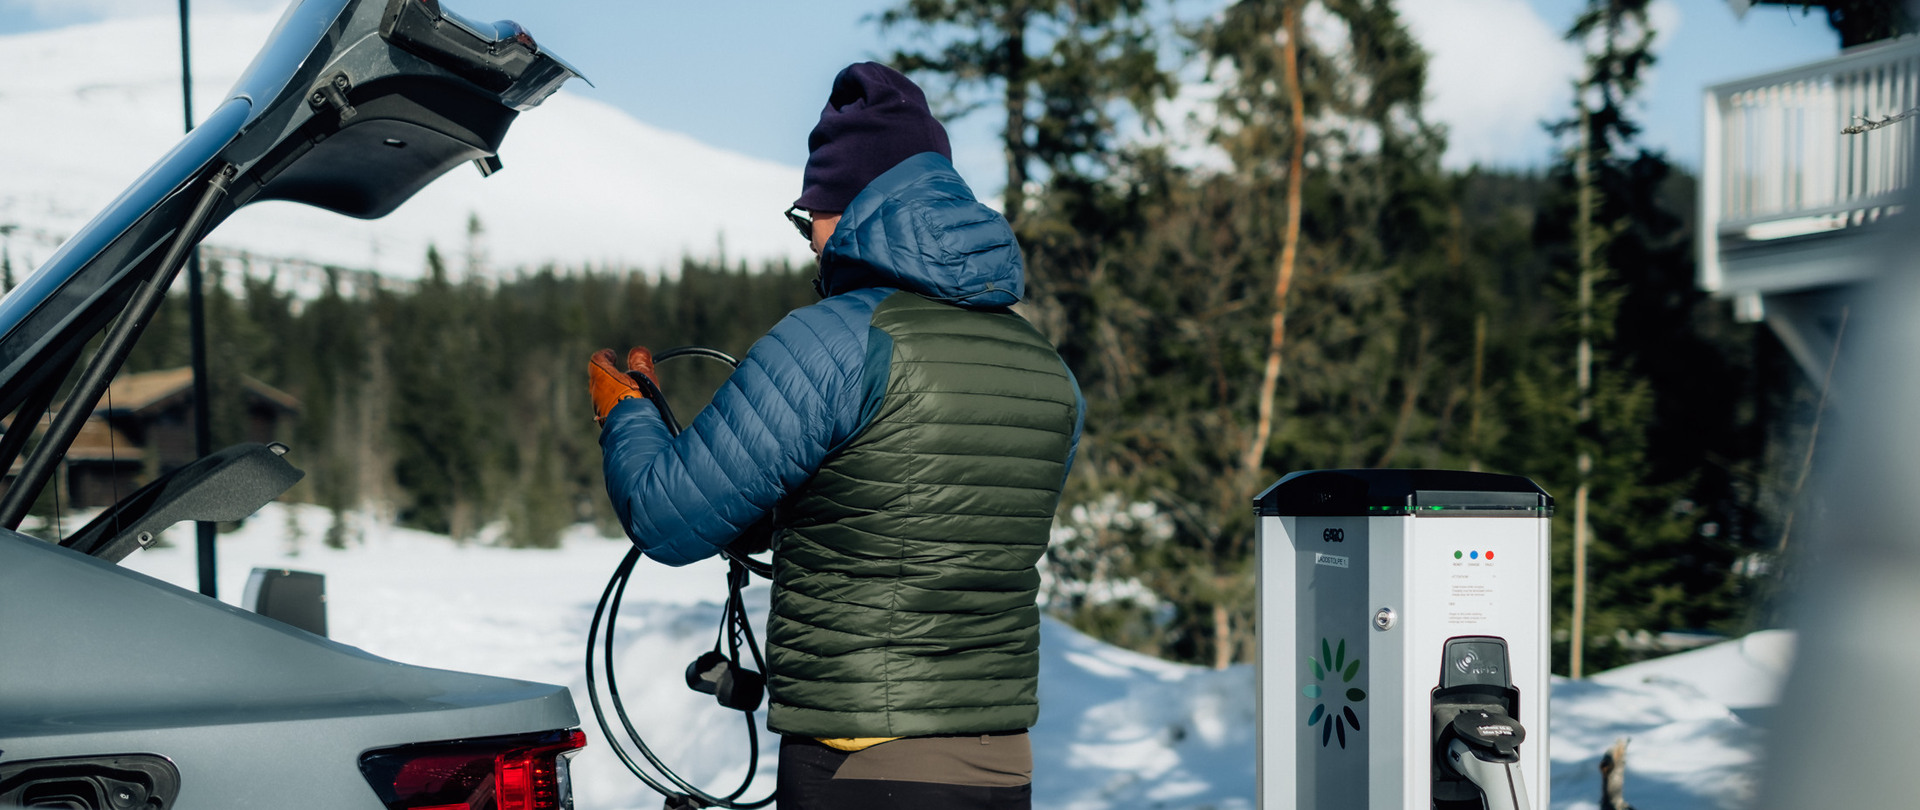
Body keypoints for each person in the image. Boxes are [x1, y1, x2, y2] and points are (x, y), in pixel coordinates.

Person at [588, 62, 1083, 809]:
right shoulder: (1042, 363)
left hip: (861, 764)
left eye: (805, 217)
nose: (810, 243)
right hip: (1000, 762)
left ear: (849, 208)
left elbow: (666, 517)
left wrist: (626, 414)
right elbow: (896, 508)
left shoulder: (837, 339)